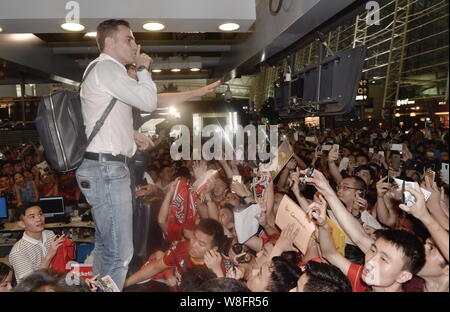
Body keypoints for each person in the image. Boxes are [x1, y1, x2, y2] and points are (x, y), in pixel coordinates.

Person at [76, 19, 220, 290]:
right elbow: (148, 100)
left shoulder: (107, 72)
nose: (135, 44)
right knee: (120, 253)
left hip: (105, 167)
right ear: (109, 41)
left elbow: (109, 113)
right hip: (106, 169)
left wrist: (130, 133)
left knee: (109, 248)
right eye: (129, 39)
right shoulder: (106, 68)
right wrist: (143, 68)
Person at [123, 218, 227, 290]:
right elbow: (155, 267)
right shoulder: (182, 248)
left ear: (214, 249)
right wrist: (124, 284)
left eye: (201, 244)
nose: (194, 244)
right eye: (194, 237)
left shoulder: (218, 271)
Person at [8, 205, 65, 284]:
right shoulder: (18, 252)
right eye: (32, 217)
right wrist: (49, 256)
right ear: (22, 224)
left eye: (40, 214)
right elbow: (31, 284)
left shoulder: (50, 234)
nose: (39, 219)